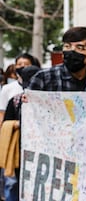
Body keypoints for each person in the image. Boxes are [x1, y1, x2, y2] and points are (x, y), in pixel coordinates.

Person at [1, 65, 41, 201]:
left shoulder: (46, 102)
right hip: (19, 152)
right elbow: (6, 123)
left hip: (40, 152)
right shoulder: (16, 100)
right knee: (16, 185)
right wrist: (17, 124)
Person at [28, 26, 86, 91]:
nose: (72, 50)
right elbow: (26, 100)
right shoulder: (44, 77)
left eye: (80, 48)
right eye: (67, 46)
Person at [0, 53, 41, 124]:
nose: (23, 66)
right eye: (19, 64)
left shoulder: (42, 88)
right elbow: (2, 113)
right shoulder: (8, 89)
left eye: (26, 64)